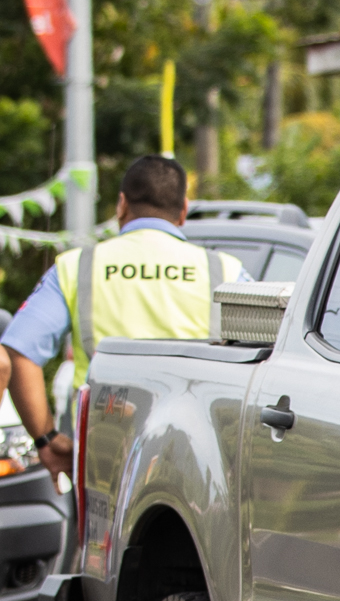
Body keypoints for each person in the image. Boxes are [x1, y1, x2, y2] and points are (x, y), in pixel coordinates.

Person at [0, 155, 245, 479]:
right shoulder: (225, 270)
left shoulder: (77, 268)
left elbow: (18, 352)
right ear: (183, 210)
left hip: (102, 450)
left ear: (121, 205)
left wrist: (46, 439)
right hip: (197, 454)